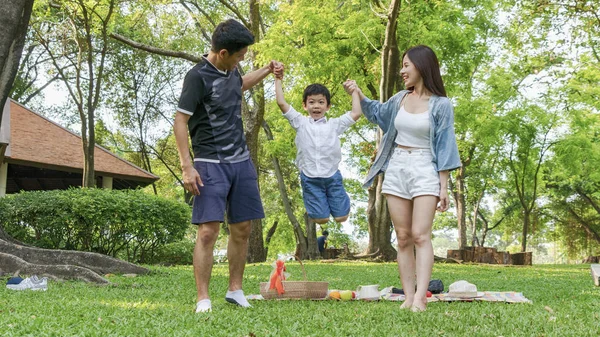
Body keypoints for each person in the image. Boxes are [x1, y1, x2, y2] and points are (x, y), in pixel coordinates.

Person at [174, 19, 283, 313]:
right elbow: (180, 121)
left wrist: (266, 71)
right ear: (223, 53)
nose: (242, 59)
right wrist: (187, 166)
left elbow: (239, 84)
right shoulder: (197, 77)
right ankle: (203, 299)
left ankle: (235, 289)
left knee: (243, 228)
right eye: (239, 55)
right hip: (210, 163)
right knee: (208, 231)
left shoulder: (231, 72)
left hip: (241, 162)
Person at [343, 45, 460, 312]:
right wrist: (357, 92)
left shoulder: (441, 105)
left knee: (421, 235)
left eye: (407, 65)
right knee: (404, 236)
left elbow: (445, 146)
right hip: (397, 167)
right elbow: (377, 113)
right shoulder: (399, 99)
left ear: (422, 66)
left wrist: (444, 187)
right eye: (402, 65)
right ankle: (408, 296)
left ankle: (421, 297)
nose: (402, 70)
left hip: (425, 168)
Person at [275, 74, 362, 225]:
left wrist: (355, 91)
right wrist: (278, 79)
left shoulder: (334, 125)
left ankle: (335, 202)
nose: (316, 106)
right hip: (310, 178)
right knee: (321, 220)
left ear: (327, 106)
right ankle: (317, 205)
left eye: (321, 102)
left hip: (332, 176)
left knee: (342, 217)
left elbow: (356, 113)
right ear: (304, 105)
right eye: (312, 102)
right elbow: (281, 103)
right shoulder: (300, 122)